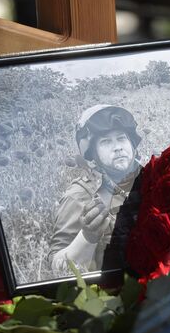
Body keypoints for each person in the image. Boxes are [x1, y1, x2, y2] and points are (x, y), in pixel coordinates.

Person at [49, 105, 142, 272]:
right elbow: (57, 267)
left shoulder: (155, 180)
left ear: (131, 143)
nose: (118, 147)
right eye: (106, 142)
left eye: (121, 138)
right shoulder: (79, 195)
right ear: (93, 152)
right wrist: (87, 237)